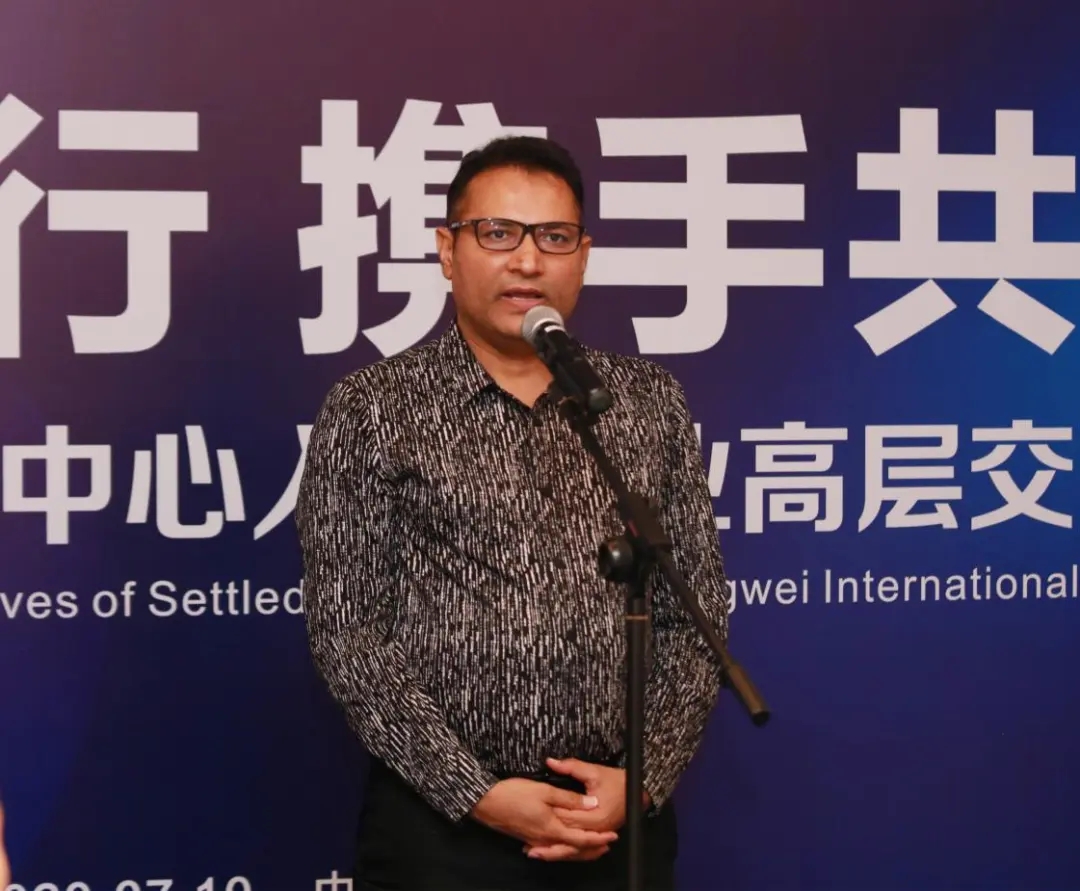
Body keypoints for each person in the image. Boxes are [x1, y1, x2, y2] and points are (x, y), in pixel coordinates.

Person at [296, 135, 730, 891]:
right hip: (443, 831)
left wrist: (643, 777)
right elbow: (348, 630)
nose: (528, 261)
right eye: (498, 233)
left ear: (583, 257)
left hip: (616, 823)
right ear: (448, 249)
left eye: (554, 238)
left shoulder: (645, 402)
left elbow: (694, 606)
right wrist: (476, 792)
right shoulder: (371, 409)